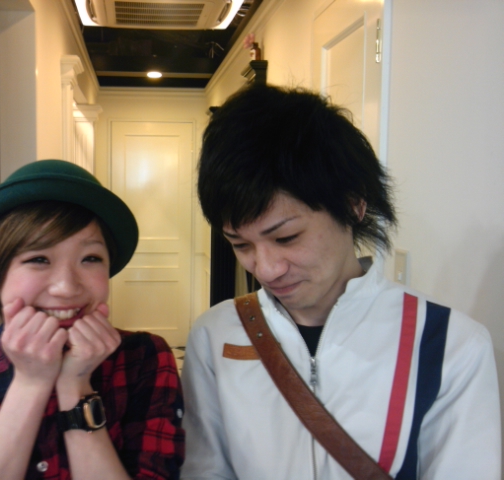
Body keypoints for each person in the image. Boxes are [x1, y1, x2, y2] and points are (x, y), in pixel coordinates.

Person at [180, 85, 501, 479]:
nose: (265, 269)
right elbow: (205, 469)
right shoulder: (214, 336)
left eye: (286, 238)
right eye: (240, 244)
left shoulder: (449, 345)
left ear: (353, 204)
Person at [0, 160, 185, 479]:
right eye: (39, 259)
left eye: (90, 258)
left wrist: (76, 385)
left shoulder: (143, 357)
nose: (66, 287)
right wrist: (30, 382)